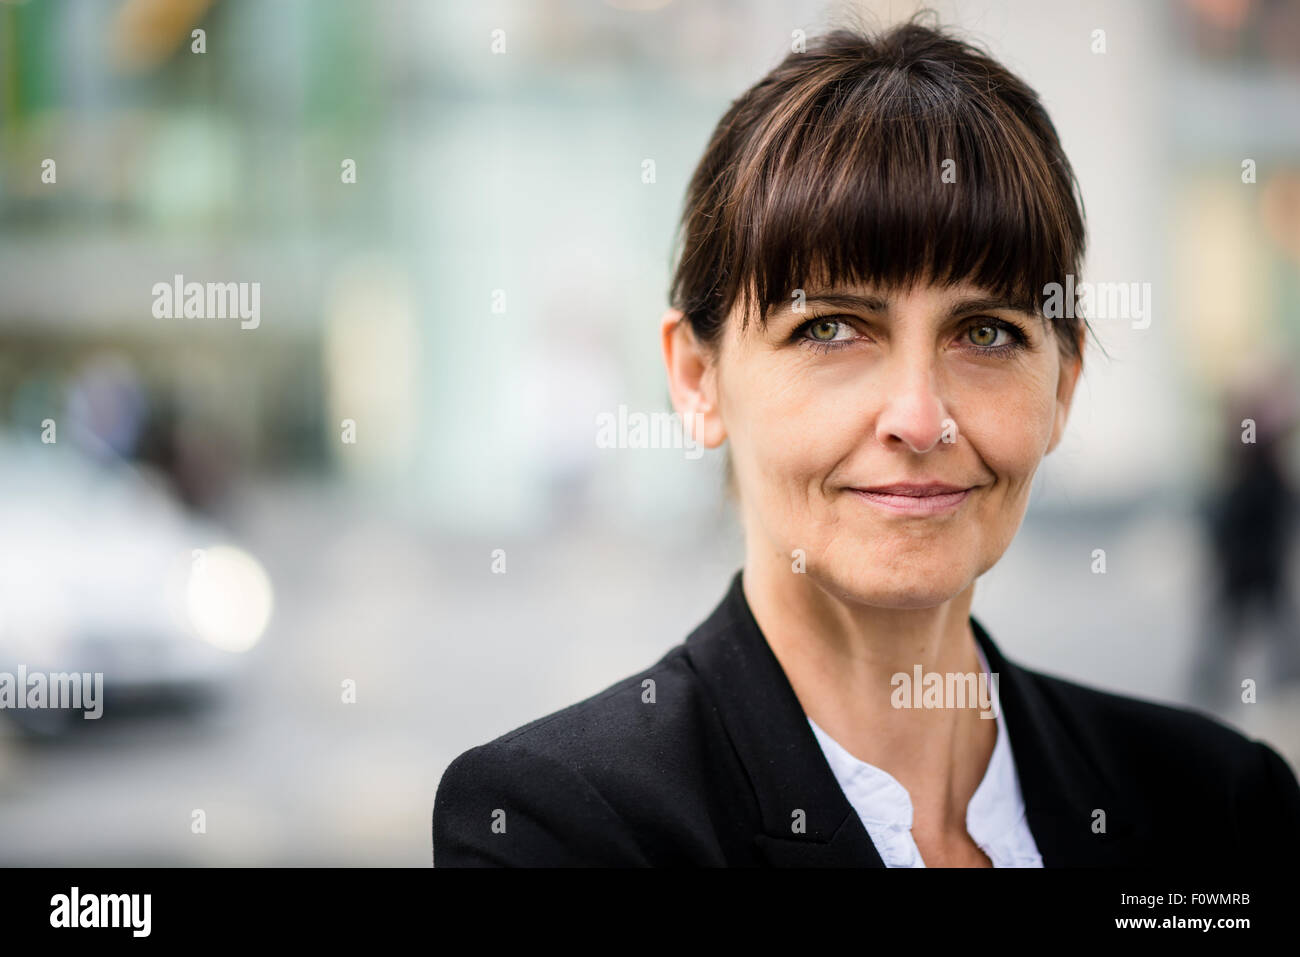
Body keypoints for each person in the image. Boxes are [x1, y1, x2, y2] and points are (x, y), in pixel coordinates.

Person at [432, 17, 1300, 867]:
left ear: (1062, 385)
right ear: (697, 380)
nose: (919, 420)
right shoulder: (561, 828)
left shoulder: (1220, 808)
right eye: (833, 328)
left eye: (987, 333)